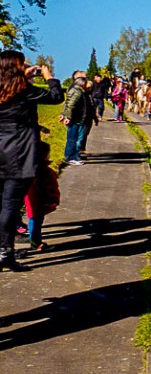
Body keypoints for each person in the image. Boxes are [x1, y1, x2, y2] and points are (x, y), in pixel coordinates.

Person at [0, 51, 63, 271]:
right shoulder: (23, 90)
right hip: (19, 153)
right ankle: (3, 252)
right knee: (10, 205)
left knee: (4, 203)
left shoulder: (5, 89)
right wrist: (49, 77)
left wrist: (24, 74)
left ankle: (5, 251)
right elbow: (56, 97)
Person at [60, 70, 91, 165]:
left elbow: (68, 104)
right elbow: (71, 105)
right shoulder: (78, 92)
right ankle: (71, 157)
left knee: (72, 137)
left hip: (75, 118)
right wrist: (68, 117)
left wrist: (63, 114)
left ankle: (70, 155)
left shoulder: (76, 91)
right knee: (72, 138)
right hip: (75, 119)